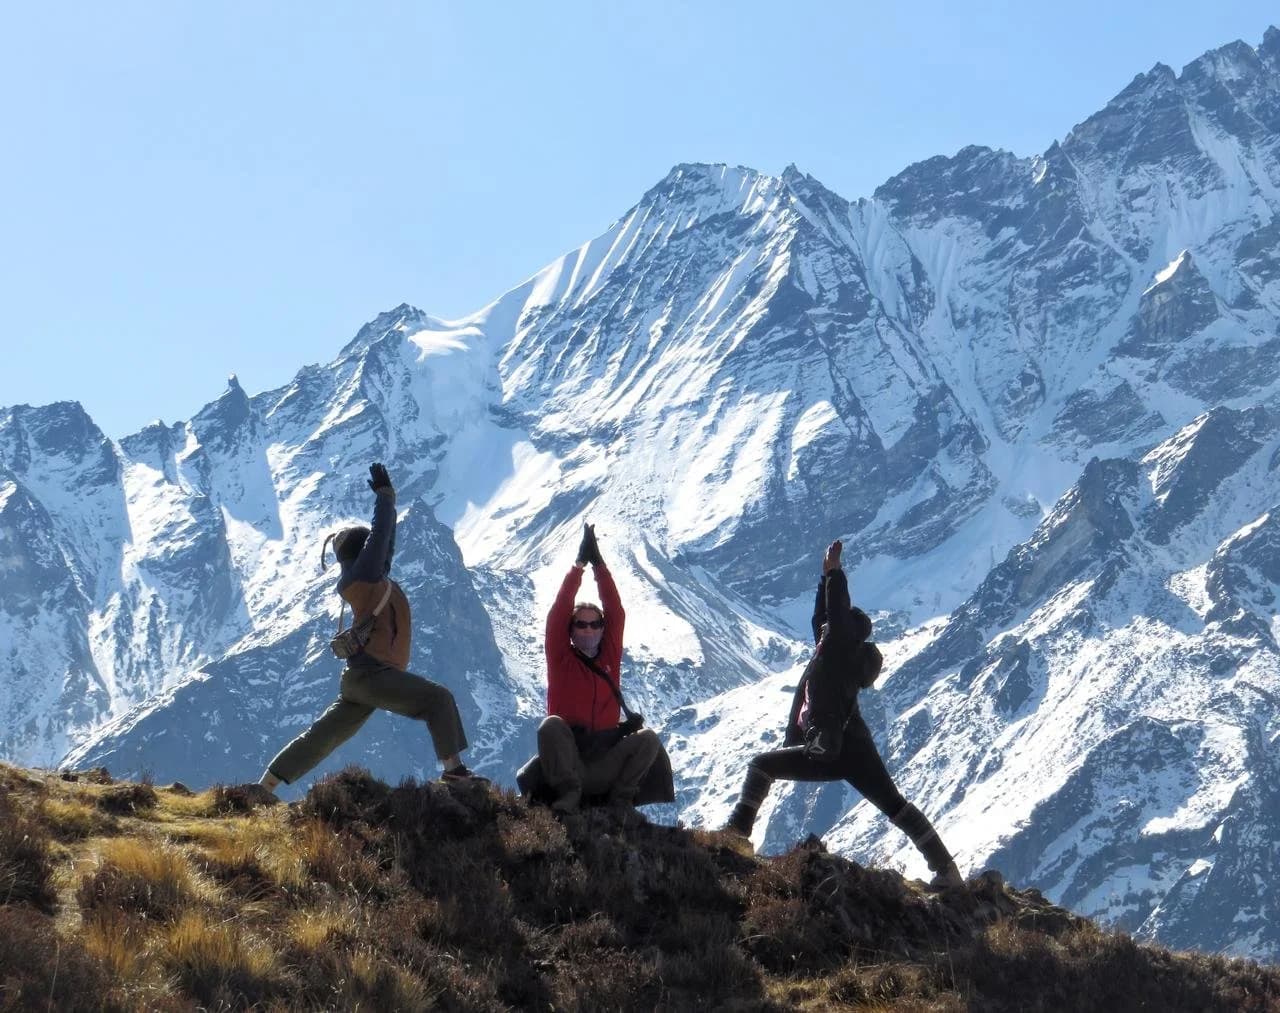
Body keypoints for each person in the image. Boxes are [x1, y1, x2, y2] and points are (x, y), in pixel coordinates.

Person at [722, 539, 963, 889]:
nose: (822, 629)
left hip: (830, 746)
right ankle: (946, 871)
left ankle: (737, 834)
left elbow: (833, 615)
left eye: (830, 627)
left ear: (843, 631)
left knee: (762, 765)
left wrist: (835, 574)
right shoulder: (833, 651)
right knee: (894, 804)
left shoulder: (836, 648)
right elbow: (823, 617)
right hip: (846, 747)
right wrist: (824, 580)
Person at [258, 462, 484, 793]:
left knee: (323, 735)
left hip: (363, 678)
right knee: (439, 700)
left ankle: (265, 785)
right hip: (373, 675)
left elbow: (384, 545)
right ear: (361, 553)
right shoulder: (361, 578)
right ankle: (454, 770)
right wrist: (385, 498)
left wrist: (388, 503)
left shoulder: (369, 580)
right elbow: (380, 540)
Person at [530, 522, 666, 814]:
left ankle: (620, 802)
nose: (589, 629)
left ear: (604, 629)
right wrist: (578, 566)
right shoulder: (561, 658)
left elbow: (615, 610)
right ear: (571, 630)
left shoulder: (610, 655)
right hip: (571, 763)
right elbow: (558, 612)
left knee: (649, 740)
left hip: (605, 763)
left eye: (595, 624)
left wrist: (600, 565)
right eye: (581, 623)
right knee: (550, 726)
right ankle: (569, 795)